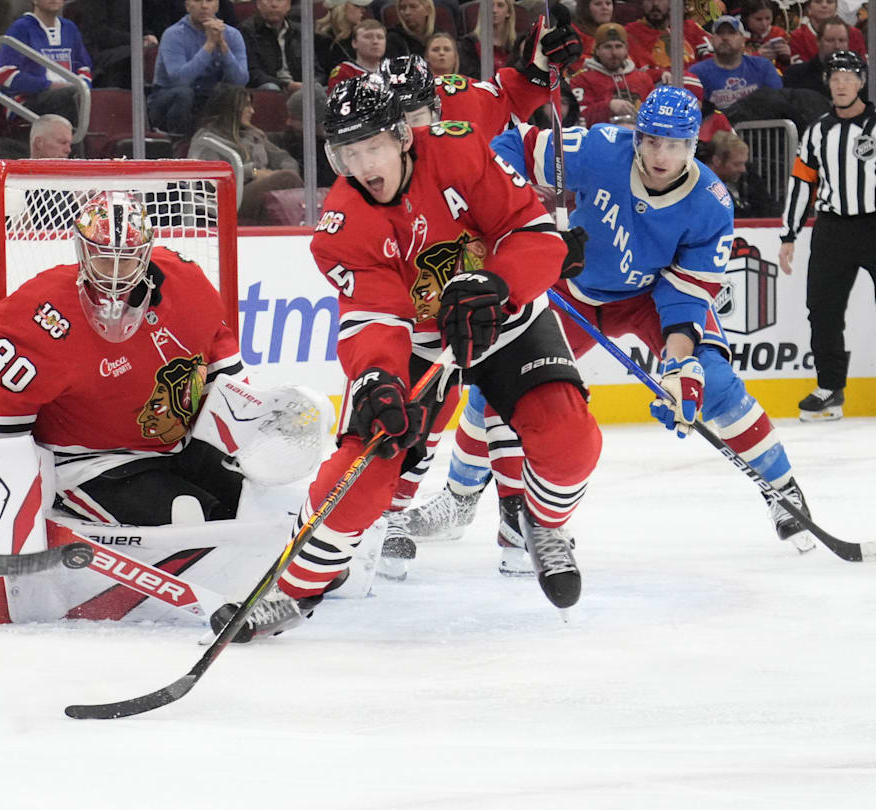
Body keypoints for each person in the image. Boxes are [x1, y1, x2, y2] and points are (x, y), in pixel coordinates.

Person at [223, 73, 602, 643]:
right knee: (364, 472)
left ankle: (543, 525)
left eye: (370, 145)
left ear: (402, 136)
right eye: (346, 151)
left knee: (568, 435)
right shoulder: (342, 228)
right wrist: (376, 376)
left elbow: (532, 232)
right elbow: (374, 316)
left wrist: (497, 283)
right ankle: (295, 586)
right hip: (420, 343)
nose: (361, 162)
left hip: (506, 320)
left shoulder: (459, 147)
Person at [405, 86, 819, 562]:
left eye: (674, 144)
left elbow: (686, 293)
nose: (660, 154)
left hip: (650, 297)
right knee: (495, 387)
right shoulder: (601, 148)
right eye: (650, 140)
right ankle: (460, 498)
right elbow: (506, 151)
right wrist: (526, 223)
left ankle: (783, 491)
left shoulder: (711, 203)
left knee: (717, 384)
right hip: (572, 288)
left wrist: (679, 366)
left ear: (693, 145)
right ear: (637, 136)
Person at [377, 14, 582, 576]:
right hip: (421, 297)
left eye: (418, 117)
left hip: (487, 285)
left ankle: (520, 517)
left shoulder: (463, 103)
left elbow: (519, 89)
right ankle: (388, 512)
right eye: (397, 121)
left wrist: (545, 54)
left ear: (436, 105)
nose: (408, 135)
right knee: (418, 411)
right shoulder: (373, 158)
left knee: (518, 402)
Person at [0, 192, 247, 525]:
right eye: (104, 256)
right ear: (82, 249)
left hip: (176, 448)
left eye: (128, 257)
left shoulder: (186, 283)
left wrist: (247, 422)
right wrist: (8, 496)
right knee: (189, 516)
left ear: (146, 252)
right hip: (89, 464)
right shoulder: (42, 312)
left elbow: (221, 364)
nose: (115, 271)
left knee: (256, 499)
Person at [779, 51, 875, 422]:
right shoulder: (817, 130)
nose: (840, 83)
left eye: (848, 76)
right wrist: (789, 233)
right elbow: (802, 182)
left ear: (861, 82)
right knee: (823, 310)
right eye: (835, 77)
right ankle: (830, 387)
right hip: (833, 227)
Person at [188, 83, 303, 224]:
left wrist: (271, 175)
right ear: (231, 108)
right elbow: (210, 179)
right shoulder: (207, 139)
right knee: (286, 179)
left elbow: (285, 159)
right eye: (247, 105)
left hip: (256, 189)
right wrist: (252, 172)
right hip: (228, 197)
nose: (252, 111)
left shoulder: (254, 134)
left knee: (287, 178)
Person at [148, 0, 248, 136]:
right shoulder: (173, 34)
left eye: (209, 1)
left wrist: (223, 46)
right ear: (187, 6)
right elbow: (180, 80)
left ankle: (227, 138)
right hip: (169, 99)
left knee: (233, 94)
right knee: (184, 94)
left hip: (208, 97)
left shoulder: (232, 35)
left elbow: (240, 80)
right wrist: (209, 45)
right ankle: (178, 142)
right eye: (197, 0)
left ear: (217, 6)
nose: (204, 6)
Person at [0, 0, 94, 128]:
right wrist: (49, 85)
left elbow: (84, 69)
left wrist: (83, 87)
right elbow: (5, 74)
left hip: (69, 95)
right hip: (27, 100)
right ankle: (74, 146)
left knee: (95, 97)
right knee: (71, 96)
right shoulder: (20, 28)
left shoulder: (70, 28)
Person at [689, 15, 782, 112]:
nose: (725, 38)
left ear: (743, 40)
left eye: (731, 33)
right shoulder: (697, 73)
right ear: (711, 41)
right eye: (719, 33)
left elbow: (778, 103)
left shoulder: (763, 67)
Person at [571, 23, 656, 124]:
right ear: (597, 50)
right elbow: (578, 117)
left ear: (626, 50)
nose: (614, 52)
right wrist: (608, 107)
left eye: (618, 46)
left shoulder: (643, 79)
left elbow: (655, 114)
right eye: (607, 47)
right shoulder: (581, 80)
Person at [624, 0, 712, 80]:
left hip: (696, 87)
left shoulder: (691, 28)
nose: (655, 4)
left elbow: (712, 61)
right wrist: (658, 74)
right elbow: (628, 71)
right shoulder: (630, 33)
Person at [707, 129, 776, 217]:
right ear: (717, 161)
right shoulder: (701, 188)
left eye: (744, 163)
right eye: (737, 164)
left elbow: (770, 208)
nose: (743, 169)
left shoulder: (749, 176)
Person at [240, 0, 303, 93]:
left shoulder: (300, 31)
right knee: (271, 88)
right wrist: (287, 85)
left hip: (301, 88)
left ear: (289, 5)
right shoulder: (246, 31)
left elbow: (316, 70)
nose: (274, 4)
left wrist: (311, 85)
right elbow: (253, 74)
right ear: (258, 3)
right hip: (271, 87)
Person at [783, 17, 851, 99]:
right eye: (830, 40)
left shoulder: (861, 76)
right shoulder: (795, 75)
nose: (837, 46)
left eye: (842, 40)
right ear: (818, 42)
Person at [457, 0, 520, 77]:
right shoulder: (468, 43)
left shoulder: (517, 45)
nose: (494, 10)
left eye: (500, 6)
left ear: (508, 13)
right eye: (490, 6)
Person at [789, 0, 866, 63]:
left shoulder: (854, 34)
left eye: (829, 2)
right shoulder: (797, 37)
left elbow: (862, 66)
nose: (824, 5)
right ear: (808, 8)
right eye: (818, 2)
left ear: (836, 8)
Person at [327, 19, 390, 90]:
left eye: (380, 37)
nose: (375, 42)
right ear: (354, 43)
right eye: (368, 37)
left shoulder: (392, 71)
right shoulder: (344, 72)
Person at [742, 0, 794, 73]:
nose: (764, 24)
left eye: (768, 18)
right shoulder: (738, 37)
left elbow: (789, 70)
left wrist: (787, 58)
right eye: (758, 19)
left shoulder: (779, 34)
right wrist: (757, 56)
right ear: (746, 18)